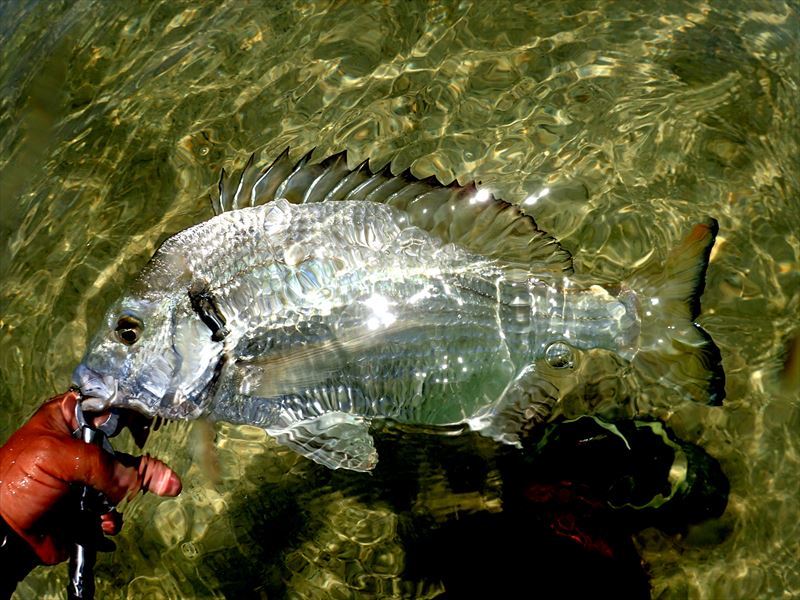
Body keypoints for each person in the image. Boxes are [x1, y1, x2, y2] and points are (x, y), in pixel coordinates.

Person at [0, 390, 181, 597]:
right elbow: (51, 458)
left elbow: (50, 455)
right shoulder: (25, 501)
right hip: (28, 530)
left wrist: (117, 483)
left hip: (77, 424)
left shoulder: (19, 487)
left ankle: (132, 470)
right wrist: (107, 493)